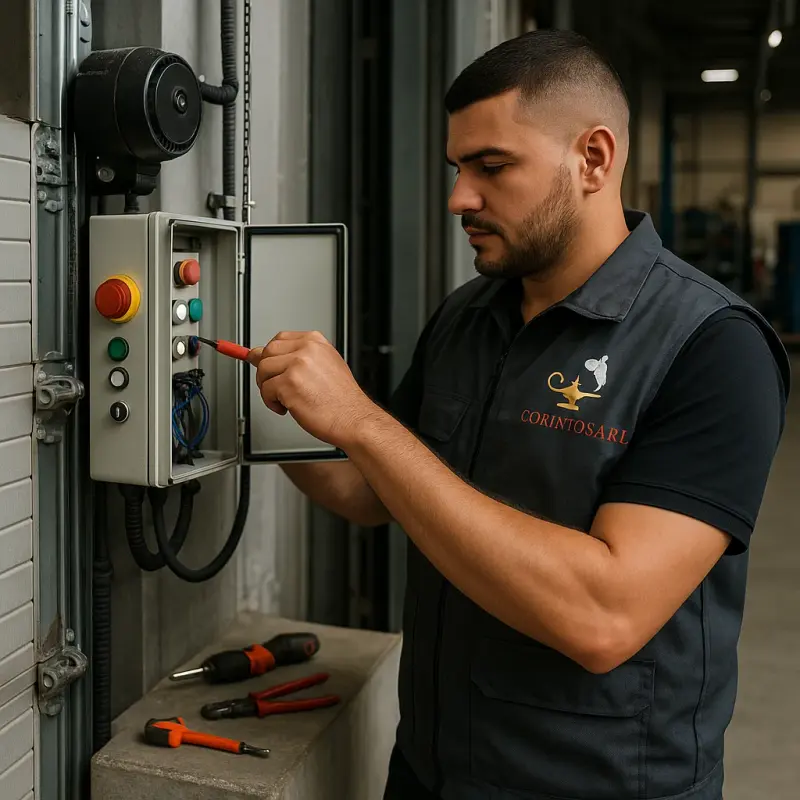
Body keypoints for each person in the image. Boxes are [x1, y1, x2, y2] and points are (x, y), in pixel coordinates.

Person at [247, 29, 790, 800]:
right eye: (458, 167)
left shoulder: (713, 348)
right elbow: (371, 492)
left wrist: (362, 421)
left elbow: (604, 617)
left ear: (594, 159)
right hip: (431, 771)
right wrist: (255, 409)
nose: (460, 197)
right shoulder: (470, 316)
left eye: (492, 167)